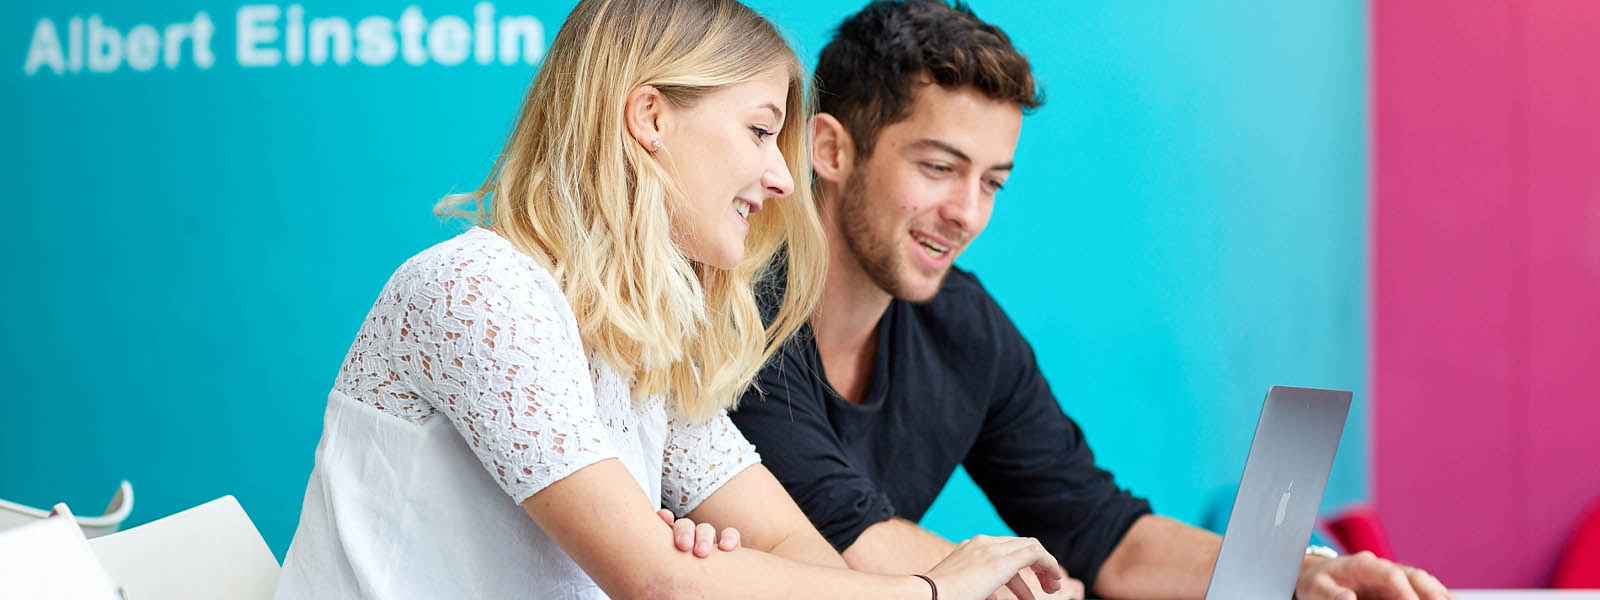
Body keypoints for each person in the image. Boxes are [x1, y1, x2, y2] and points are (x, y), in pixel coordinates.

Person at [273, 0, 1069, 598]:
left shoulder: (640, 347)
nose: (783, 179)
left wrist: (740, 572)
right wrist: (931, 587)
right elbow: (658, 581)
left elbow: (794, 545)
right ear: (649, 117)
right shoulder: (479, 291)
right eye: (760, 132)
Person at [729, 2, 1453, 599]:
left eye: (992, 182)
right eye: (940, 167)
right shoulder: (736, 313)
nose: (967, 213)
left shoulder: (964, 327)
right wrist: (1028, 582)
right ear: (828, 149)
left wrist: (1305, 572)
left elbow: (1104, 533)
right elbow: (848, 544)